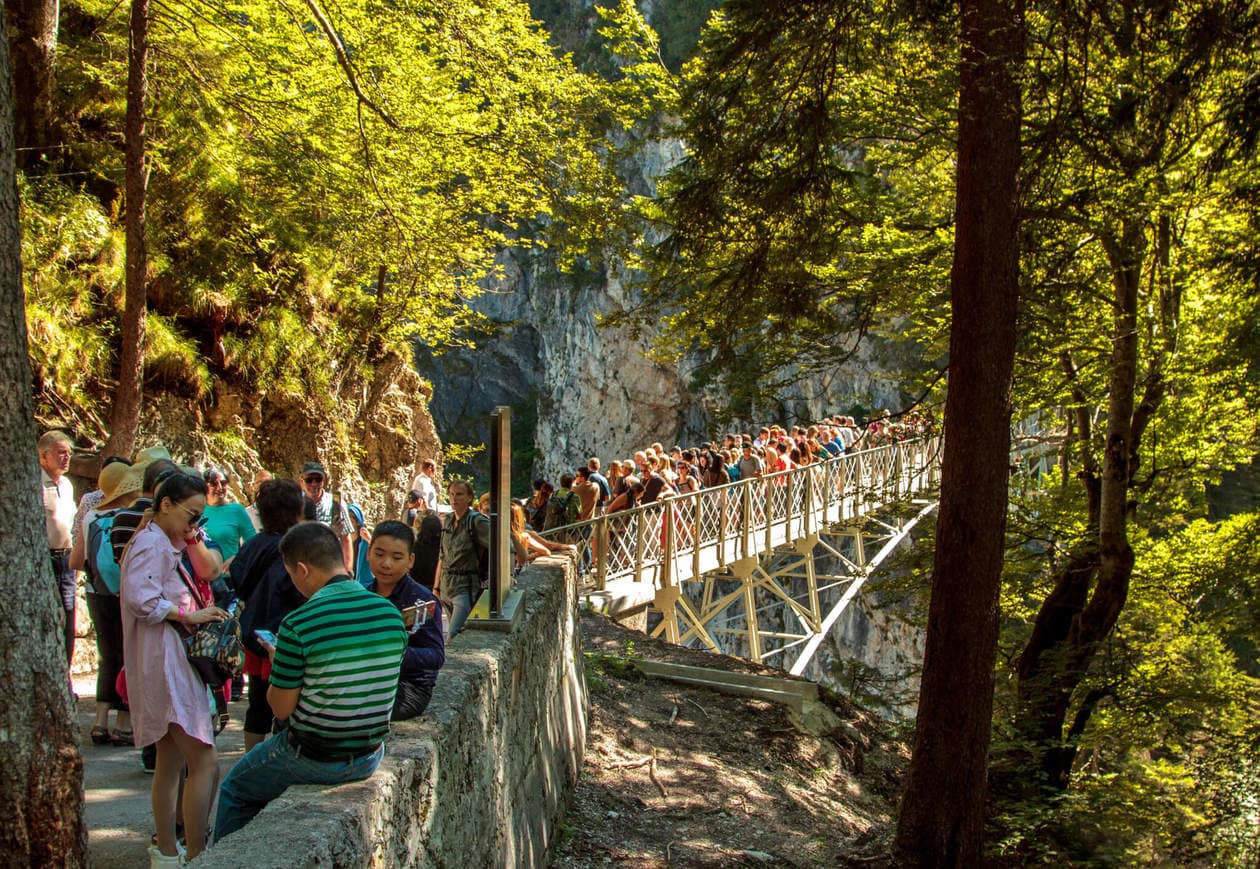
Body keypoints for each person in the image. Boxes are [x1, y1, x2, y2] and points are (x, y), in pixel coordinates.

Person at [213, 523, 406, 842]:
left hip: (316, 756)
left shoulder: (300, 622)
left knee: (235, 789)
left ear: (301, 569)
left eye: (290, 574)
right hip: (371, 753)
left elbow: (280, 708)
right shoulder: (390, 614)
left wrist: (280, 666)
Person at [119, 472, 229, 864]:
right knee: (205, 760)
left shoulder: (157, 540)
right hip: (167, 659)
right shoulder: (152, 543)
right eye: (192, 516)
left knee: (171, 760)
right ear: (166, 504)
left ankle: (167, 849)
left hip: (161, 657)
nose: (194, 526)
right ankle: (196, 852)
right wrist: (191, 615)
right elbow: (141, 599)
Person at [229, 479, 306, 752]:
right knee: (287, 701)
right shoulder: (294, 548)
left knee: (258, 702)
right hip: (285, 636)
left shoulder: (253, 545)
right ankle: (281, 755)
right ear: (297, 510)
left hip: (254, 633)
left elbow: (235, 578)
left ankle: (251, 756)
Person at [71, 458, 140, 745]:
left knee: (107, 655)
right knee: (129, 656)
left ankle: (100, 722)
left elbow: (76, 560)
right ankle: (124, 724)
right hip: (125, 592)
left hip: (96, 592)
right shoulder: (132, 517)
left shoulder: (91, 517)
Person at [365, 521, 444, 721]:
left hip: (409, 687)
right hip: (367, 679)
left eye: (396, 557)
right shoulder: (362, 596)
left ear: (410, 561)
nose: (386, 564)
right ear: (368, 553)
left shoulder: (423, 600)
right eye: (379, 554)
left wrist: (394, 653)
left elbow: (436, 656)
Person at [39, 430, 78, 661]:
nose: (67, 457)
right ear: (44, 456)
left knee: (70, 612)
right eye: (61, 453)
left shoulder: (67, 484)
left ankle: (66, 672)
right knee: (50, 615)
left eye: (69, 453)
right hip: (44, 558)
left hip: (67, 559)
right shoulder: (34, 484)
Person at [435, 480, 489, 638]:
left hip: (465, 585)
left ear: (469, 497)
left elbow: (501, 546)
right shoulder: (447, 520)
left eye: (459, 494)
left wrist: (507, 575)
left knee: (453, 634)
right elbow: (442, 555)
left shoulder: (477, 521)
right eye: (451, 494)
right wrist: (436, 587)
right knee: (454, 634)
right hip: (446, 585)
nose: (454, 498)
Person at [299, 460, 354, 575]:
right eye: (309, 480)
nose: (314, 484)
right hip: (304, 569)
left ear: (323, 481)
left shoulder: (336, 503)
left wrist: (348, 571)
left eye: (318, 479)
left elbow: (346, 539)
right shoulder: (296, 505)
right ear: (302, 482)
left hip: (331, 567)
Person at [202, 466, 256, 573]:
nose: (220, 487)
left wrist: (238, 558)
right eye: (214, 484)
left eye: (223, 483)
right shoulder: (198, 510)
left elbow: (253, 543)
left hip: (229, 578)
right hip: (201, 579)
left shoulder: (237, 510)